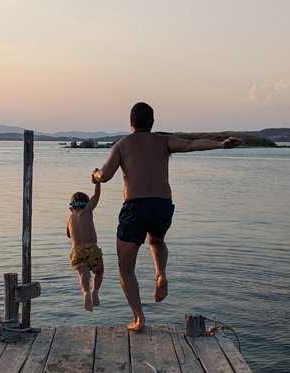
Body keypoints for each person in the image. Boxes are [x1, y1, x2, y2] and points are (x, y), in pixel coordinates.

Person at [92, 102, 241, 332]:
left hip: (135, 207)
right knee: (156, 240)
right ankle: (160, 272)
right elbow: (191, 145)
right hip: (162, 206)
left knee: (126, 268)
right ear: (152, 123)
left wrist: (96, 174)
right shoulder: (163, 141)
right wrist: (221, 144)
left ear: (131, 122)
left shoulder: (122, 145)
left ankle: (139, 319)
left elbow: (106, 175)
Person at [66, 177, 104, 312]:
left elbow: (69, 235)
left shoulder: (69, 218)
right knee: (98, 272)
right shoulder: (87, 211)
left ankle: (86, 292)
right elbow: (97, 196)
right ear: (86, 205)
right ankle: (95, 291)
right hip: (91, 247)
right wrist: (97, 183)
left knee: (83, 274)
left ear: (71, 208)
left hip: (76, 251)